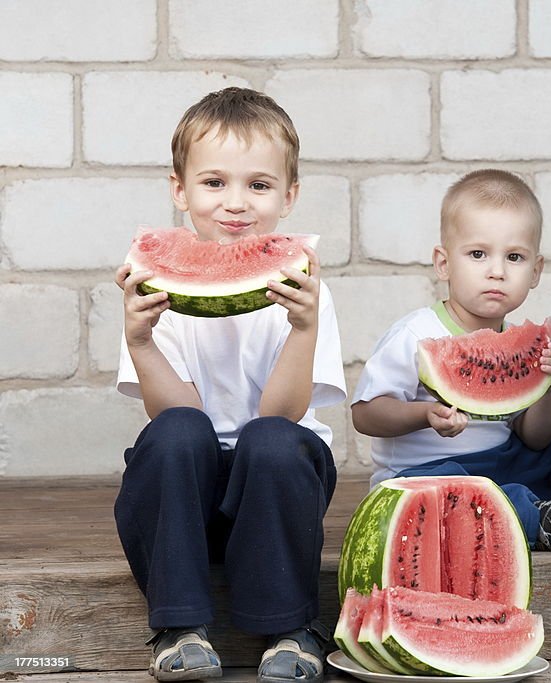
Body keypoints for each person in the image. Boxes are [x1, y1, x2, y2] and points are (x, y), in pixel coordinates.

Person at [114, 87, 346, 683]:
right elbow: (173, 417)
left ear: (289, 196)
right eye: (214, 183)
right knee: (174, 433)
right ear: (179, 190)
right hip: (184, 498)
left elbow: (284, 411)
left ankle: (292, 626)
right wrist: (140, 341)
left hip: (277, 489)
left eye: (259, 186)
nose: (235, 204)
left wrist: (303, 327)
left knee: (269, 439)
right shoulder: (154, 289)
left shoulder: (304, 293)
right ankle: (179, 627)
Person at [350, 169, 551, 553]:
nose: (497, 270)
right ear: (443, 264)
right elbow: (365, 415)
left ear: (535, 272)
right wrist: (423, 415)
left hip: (505, 463)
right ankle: (540, 521)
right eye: (478, 254)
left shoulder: (521, 346)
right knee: (452, 493)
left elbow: (536, 436)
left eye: (514, 257)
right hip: (424, 476)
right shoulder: (416, 334)